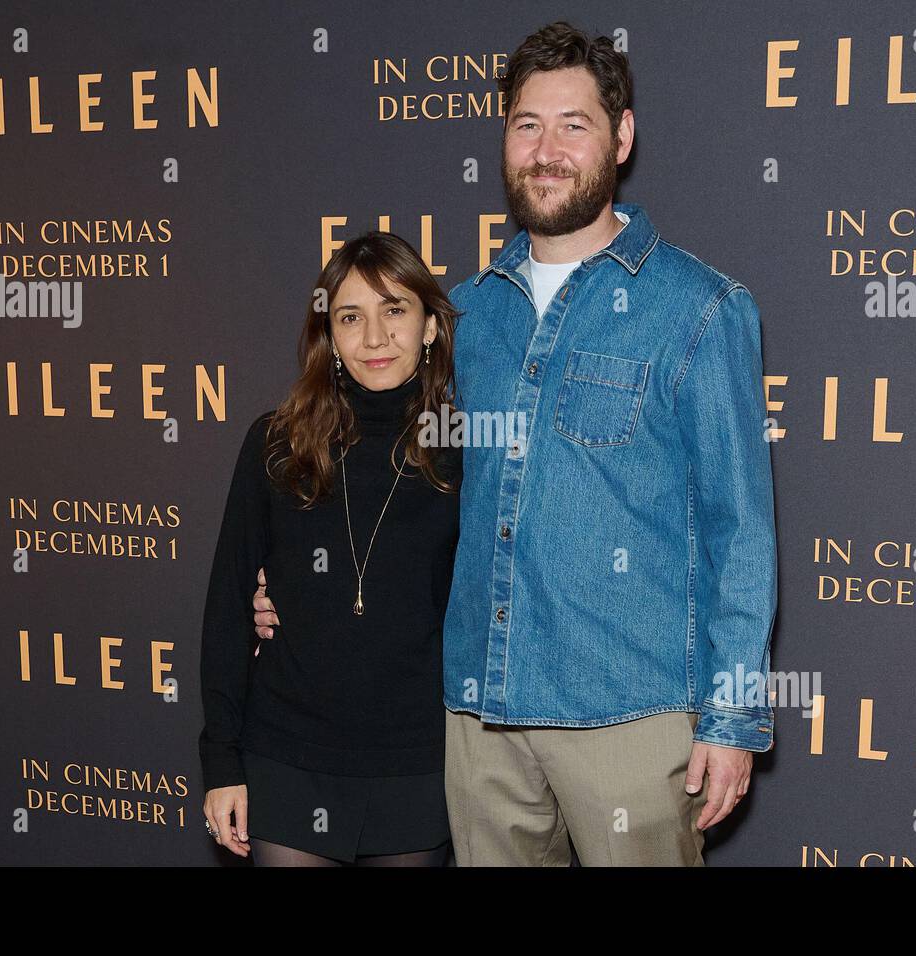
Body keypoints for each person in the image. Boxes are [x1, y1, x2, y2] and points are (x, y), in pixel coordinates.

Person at [436, 21, 779, 865]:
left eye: (573, 124)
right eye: (526, 124)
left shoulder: (698, 308)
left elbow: (742, 530)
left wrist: (731, 718)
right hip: (481, 717)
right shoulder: (465, 315)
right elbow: (422, 495)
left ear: (621, 138)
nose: (545, 149)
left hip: (632, 717)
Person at [198, 230, 462, 866]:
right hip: (287, 754)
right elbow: (229, 610)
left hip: (417, 762)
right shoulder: (278, 443)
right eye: (351, 317)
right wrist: (221, 761)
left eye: (395, 310)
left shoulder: (465, 453)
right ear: (330, 336)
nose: (374, 338)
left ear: (429, 327)